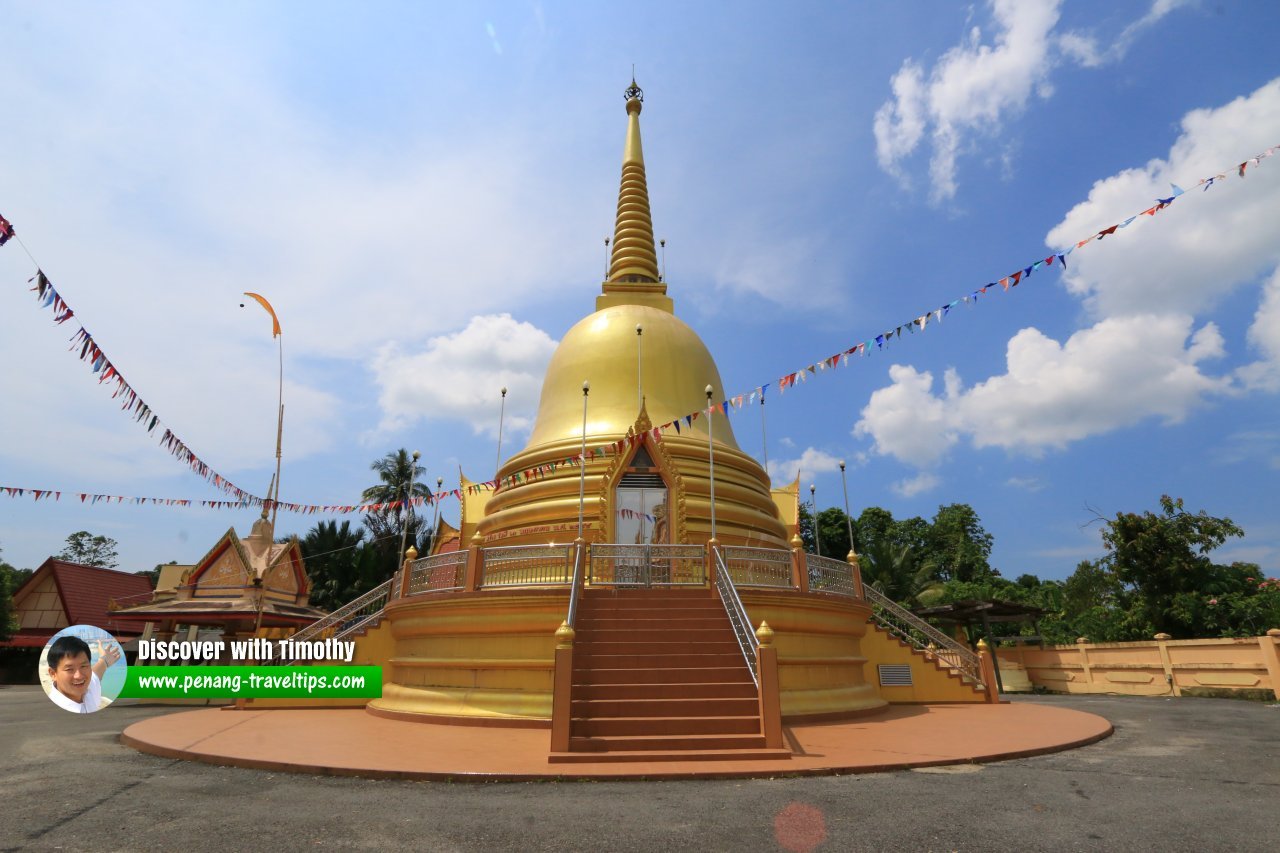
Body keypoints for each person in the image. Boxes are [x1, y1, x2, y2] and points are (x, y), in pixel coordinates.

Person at [46, 635, 120, 714]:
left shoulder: (89, 688)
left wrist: (104, 660)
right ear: (53, 674)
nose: (79, 676)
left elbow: (96, 673)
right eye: (69, 669)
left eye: (83, 666)